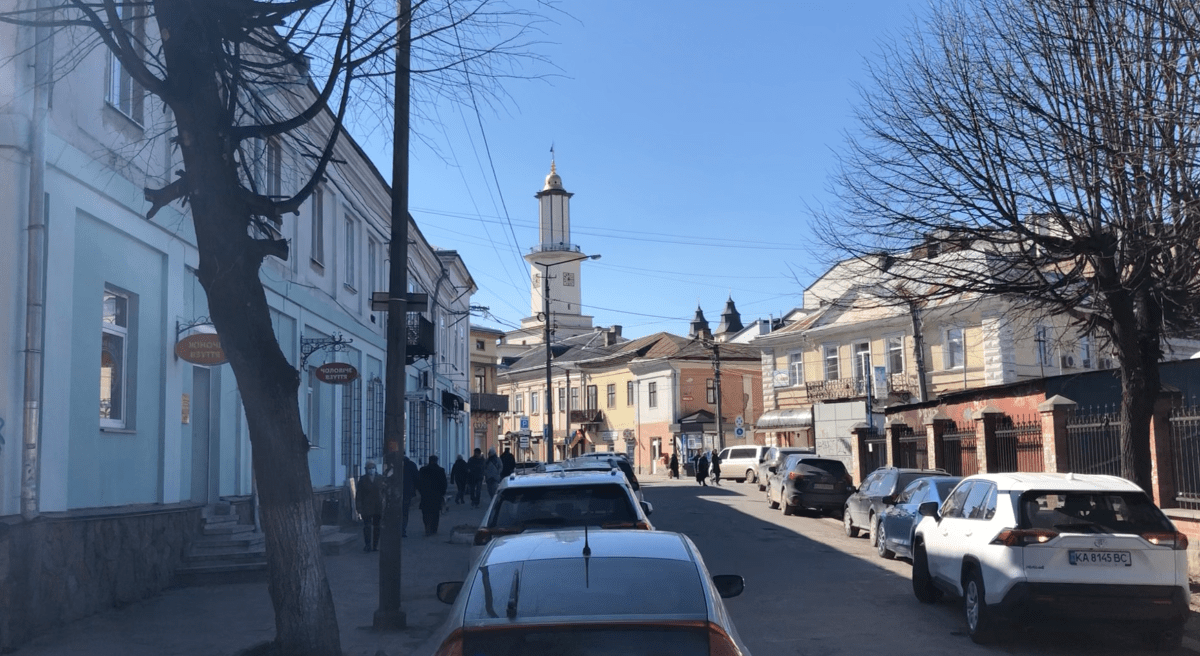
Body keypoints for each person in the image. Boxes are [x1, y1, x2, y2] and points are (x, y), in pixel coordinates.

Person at [416, 455, 448, 536]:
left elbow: (418, 482)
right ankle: (434, 528)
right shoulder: (440, 470)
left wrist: (421, 491)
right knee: (435, 513)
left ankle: (427, 526)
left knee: (426, 512)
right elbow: (444, 484)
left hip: (425, 495)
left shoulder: (423, 470)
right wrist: (442, 493)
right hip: (436, 495)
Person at [355, 461, 384, 552]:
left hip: (377, 506)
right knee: (367, 526)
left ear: (375, 469)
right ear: (366, 470)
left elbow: (384, 491)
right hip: (366, 506)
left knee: (377, 526)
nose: (371, 470)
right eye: (369, 468)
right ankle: (367, 545)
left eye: (373, 468)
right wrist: (359, 508)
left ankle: (375, 545)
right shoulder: (363, 480)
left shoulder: (380, 478)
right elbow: (359, 495)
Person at [401, 455, 419, 538]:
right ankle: (402, 530)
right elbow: (416, 478)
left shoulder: (394, 464)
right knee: (404, 512)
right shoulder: (411, 465)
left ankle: (398, 529)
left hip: (397, 492)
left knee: (396, 511)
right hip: (407, 492)